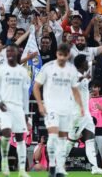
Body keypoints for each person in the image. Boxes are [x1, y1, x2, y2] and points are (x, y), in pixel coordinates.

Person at [33, 43, 85, 177]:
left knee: (62, 140)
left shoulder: (72, 70)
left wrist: (81, 107)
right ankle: (51, 166)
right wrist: (40, 104)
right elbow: (36, 87)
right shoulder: (48, 67)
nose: (62, 57)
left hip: (66, 109)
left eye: (64, 55)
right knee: (53, 136)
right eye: (60, 55)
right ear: (57, 54)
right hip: (51, 108)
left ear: (68, 55)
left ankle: (60, 168)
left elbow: (75, 90)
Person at [65, 54, 102, 174]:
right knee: (71, 141)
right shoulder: (74, 75)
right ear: (80, 64)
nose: (86, 63)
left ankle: (94, 167)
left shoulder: (83, 74)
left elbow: (88, 65)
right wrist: (82, 77)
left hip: (86, 114)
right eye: (85, 62)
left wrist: (91, 62)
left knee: (90, 140)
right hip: (77, 114)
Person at [0, 44, 30, 177]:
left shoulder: (23, 71)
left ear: (17, 52)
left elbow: (26, 94)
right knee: (7, 133)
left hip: (18, 107)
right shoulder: (0, 70)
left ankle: (21, 170)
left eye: (11, 51)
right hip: (4, 106)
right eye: (7, 51)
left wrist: (26, 113)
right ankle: (4, 162)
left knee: (20, 137)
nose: (9, 53)